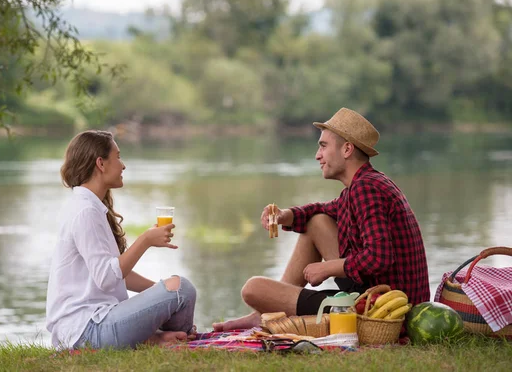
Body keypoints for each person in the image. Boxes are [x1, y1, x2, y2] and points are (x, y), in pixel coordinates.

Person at [213, 108, 430, 332]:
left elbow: (380, 257)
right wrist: (284, 215)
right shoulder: (364, 185)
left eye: (323, 146)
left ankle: (266, 313)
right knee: (317, 221)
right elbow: (322, 209)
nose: (318, 155)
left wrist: (327, 269)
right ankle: (265, 314)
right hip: (376, 295)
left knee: (253, 289)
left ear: (347, 149)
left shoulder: (367, 189)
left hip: (383, 312)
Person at [46, 130, 197, 349]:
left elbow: (117, 275)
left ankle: (158, 338)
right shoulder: (85, 211)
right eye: (117, 157)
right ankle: (170, 337)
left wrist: (159, 293)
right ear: (101, 163)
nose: (123, 165)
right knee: (182, 288)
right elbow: (108, 278)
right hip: (86, 330)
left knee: (176, 289)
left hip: (97, 322)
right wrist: (145, 240)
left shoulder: (90, 207)